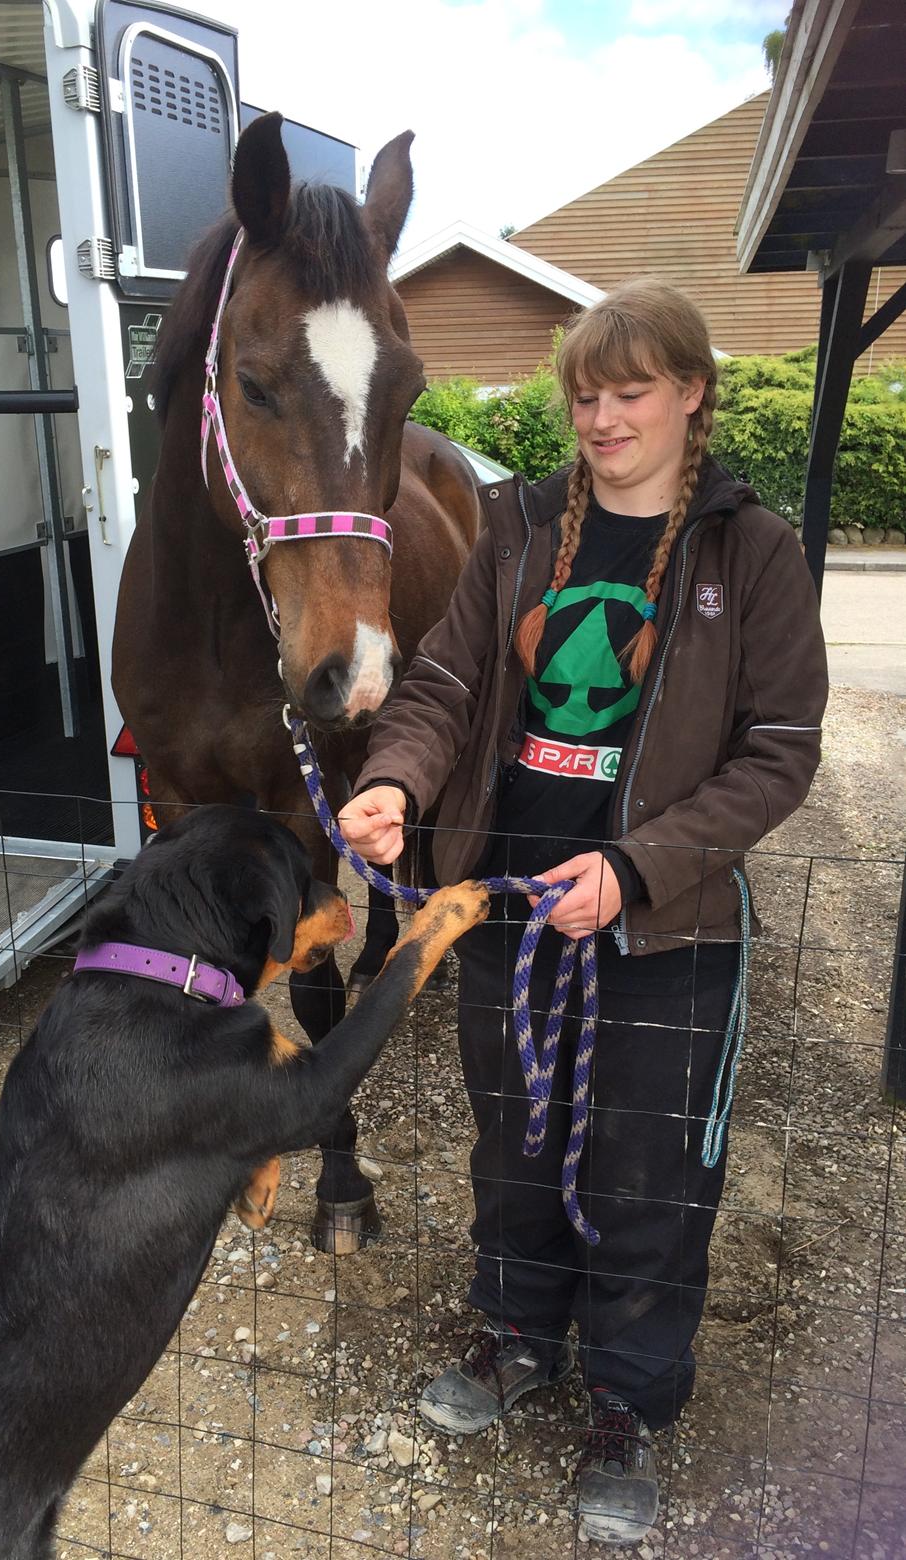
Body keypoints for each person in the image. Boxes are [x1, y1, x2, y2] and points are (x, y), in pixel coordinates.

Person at [338, 278, 828, 1547]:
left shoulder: (749, 551)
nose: (604, 418)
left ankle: (628, 1401)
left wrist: (645, 864)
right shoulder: (518, 525)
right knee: (513, 1141)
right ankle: (517, 1341)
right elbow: (442, 679)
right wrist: (397, 781)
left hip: (667, 932)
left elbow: (780, 749)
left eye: (633, 392)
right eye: (586, 394)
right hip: (507, 910)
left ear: (691, 393)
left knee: (650, 1172)